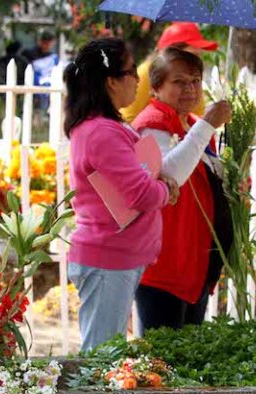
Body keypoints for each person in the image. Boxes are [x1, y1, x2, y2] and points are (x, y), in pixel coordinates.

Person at [63, 38, 179, 351]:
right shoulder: (101, 131)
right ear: (111, 81)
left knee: (105, 358)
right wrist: (165, 188)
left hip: (114, 256)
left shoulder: (102, 126)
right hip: (107, 257)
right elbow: (140, 194)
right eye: (131, 72)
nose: (138, 80)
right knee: (101, 362)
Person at [132, 47, 232, 333]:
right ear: (156, 88)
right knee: (161, 363)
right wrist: (208, 125)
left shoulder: (188, 123)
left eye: (195, 80)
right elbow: (169, 175)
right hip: (165, 263)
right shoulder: (150, 125)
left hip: (192, 260)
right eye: (179, 82)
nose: (190, 89)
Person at [121, 22, 218, 123]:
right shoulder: (145, 73)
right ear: (171, 55)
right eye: (192, 55)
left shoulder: (191, 79)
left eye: (198, 56)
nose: (197, 61)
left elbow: (198, 118)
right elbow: (127, 121)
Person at [23, 31, 59, 110]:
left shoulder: (53, 57)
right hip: (34, 84)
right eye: (44, 42)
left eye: (49, 43)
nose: (46, 45)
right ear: (40, 41)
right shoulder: (29, 54)